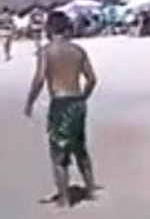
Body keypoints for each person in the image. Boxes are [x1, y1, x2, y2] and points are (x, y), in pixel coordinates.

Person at [23, 11, 100, 207]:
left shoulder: (47, 51)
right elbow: (92, 79)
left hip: (60, 102)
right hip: (77, 103)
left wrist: (30, 102)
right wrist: (83, 96)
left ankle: (65, 199)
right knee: (80, 146)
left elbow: (40, 79)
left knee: (58, 153)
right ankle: (90, 190)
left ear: (49, 29)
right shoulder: (78, 50)